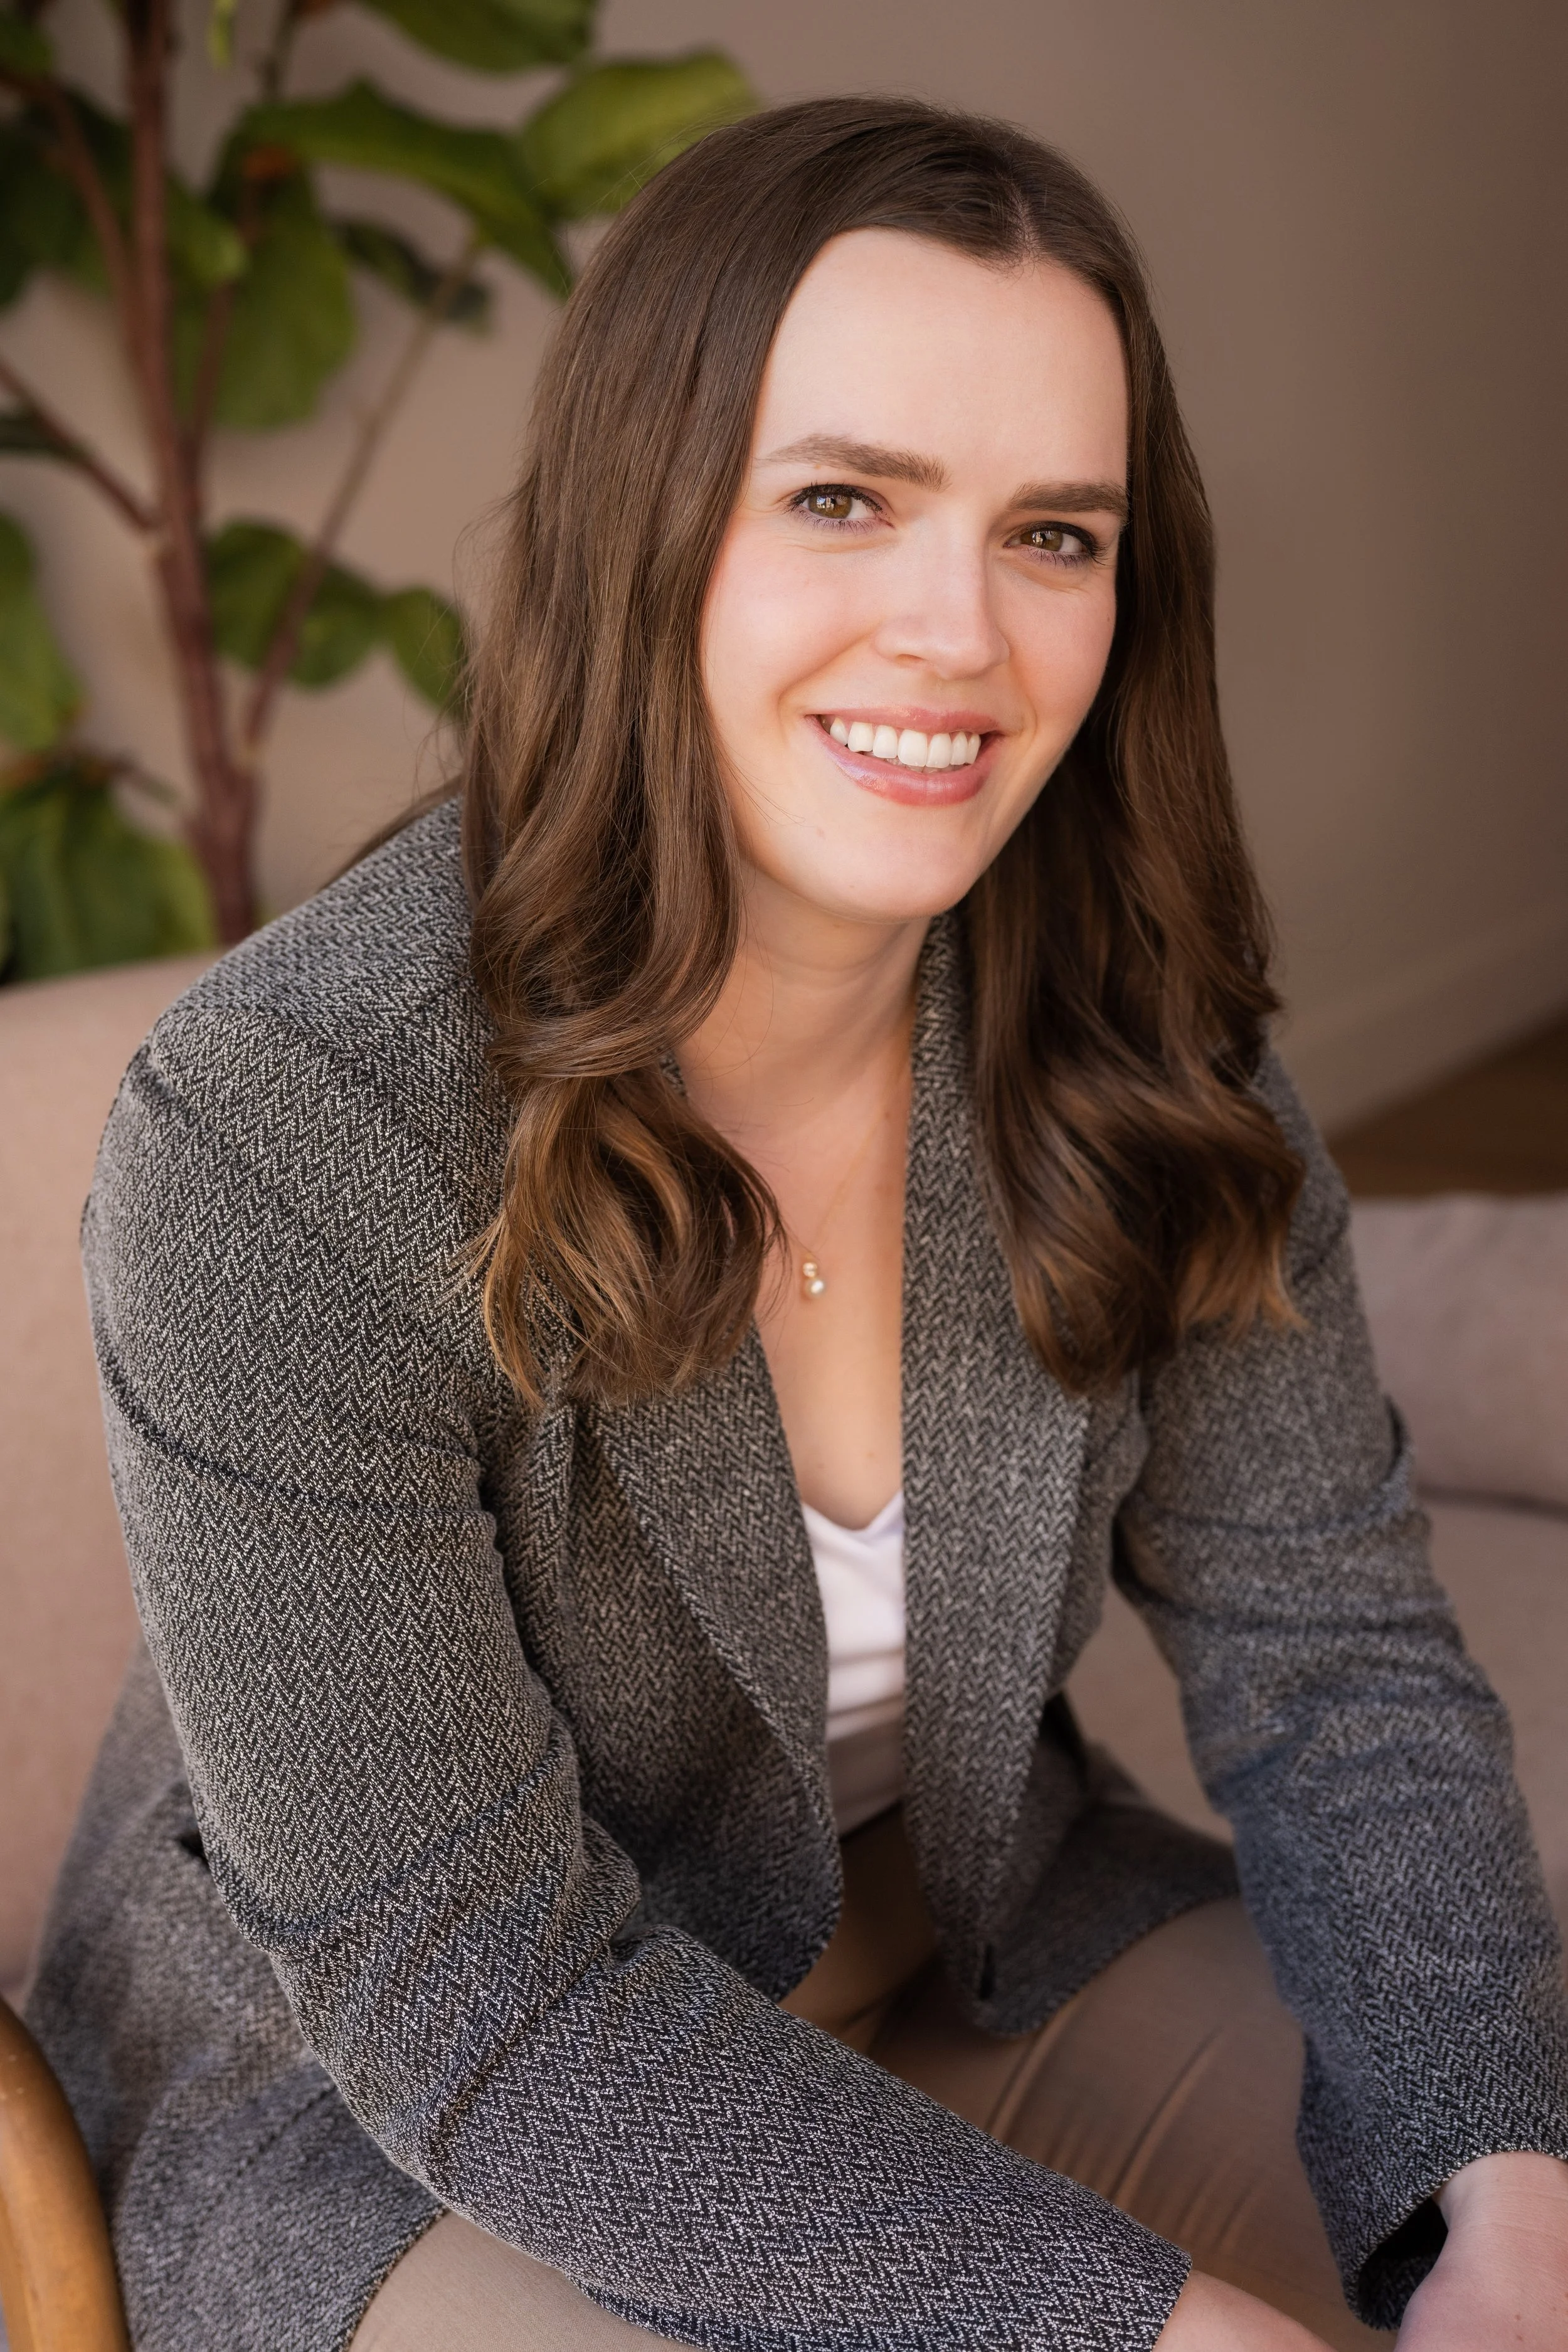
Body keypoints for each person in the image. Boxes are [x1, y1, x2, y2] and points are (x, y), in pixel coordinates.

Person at [28, 97, 1568, 2352]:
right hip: (411, 2106)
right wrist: (1149, 2330)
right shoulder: (285, 1130)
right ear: (646, 531)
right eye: (844, 499)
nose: (959, 630)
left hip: (959, 1928)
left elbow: (1335, 1671)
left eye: (1055, 533)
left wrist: (1501, 2195)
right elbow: (469, 1993)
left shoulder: (1134, 1039)